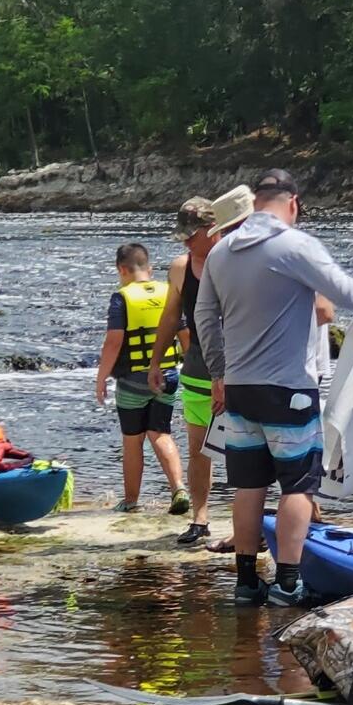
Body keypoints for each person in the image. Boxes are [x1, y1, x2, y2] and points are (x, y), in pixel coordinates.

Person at [196, 170, 353, 606]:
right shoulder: (295, 244)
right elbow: (347, 292)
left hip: (240, 388)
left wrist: (219, 373)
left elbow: (204, 319)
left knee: (248, 488)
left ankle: (247, 583)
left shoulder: (220, 252)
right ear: (293, 203)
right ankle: (288, 582)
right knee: (297, 487)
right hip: (290, 389)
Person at [98, 241, 189, 513]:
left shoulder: (122, 297)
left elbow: (114, 342)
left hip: (133, 379)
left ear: (121, 269)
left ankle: (130, 500)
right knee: (160, 432)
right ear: (149, 268)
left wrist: (101, 378)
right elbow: (186, 336)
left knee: (133, 440)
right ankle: (179, 489)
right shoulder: (168, 290)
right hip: (169, 374)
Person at [150, 196, 221, 543]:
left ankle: (254, 519)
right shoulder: (180, 268)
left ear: (214, 228)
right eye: (183, 236)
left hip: (240, 371)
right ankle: (200, 517)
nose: (187, 242)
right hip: (196, 369)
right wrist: (155, 361)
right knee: (198, 448)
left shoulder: (234, 262)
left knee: (251, 448)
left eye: (193, 235)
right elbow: (169, 317)